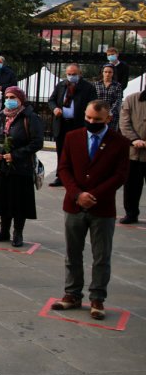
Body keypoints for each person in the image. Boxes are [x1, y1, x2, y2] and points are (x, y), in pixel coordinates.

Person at [54, 100, 130, 320]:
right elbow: (64, 168)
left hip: (102, 207)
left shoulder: (119, 142)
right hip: (74, 204)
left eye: (96, 120)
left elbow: (120, 175)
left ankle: (97, 298)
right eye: (88, 118)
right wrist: (77, 194)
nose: (91, 122)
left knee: (101, 255)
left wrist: (93, 195)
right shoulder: (72, 137)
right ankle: (72, 293)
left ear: (108, 119)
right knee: (72, 253)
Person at [0, 86, 44, 247]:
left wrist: (16, 155)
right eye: (7, 97)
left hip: (21, 167)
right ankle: (4, 230)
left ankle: (18, 232)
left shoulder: (29, 117)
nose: (9, 100)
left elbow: (37, 142)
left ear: (20, 99)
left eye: (13, 97)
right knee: (3, 198)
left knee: (19, 201)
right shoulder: (0, 116)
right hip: (1, 166)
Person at [47, 63, 97, 187]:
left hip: (78, 124)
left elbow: (93, 104)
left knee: (77, 152)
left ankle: (76, 177)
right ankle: (61, 176)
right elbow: (51, 100)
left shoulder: (87, 87)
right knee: (61, 151)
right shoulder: (61, 85)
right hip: (62, 123)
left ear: (79, 74)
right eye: (69, 74)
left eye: (74, 74)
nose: (71, 76)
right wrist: (54, 109)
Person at [119, 88, 146, 225]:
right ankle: (131, 213)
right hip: (134, 152)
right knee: (131, 185)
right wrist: (134, 139)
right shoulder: (131, 99)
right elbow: (124, 123)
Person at [94, 64, 124, 129]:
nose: (107, 74)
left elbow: (118, 100)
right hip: (97, 113)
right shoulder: (96, 84)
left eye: (110, 72)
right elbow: (93, 99)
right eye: (105, 72)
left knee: (111, 134)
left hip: (112, 116)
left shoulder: (117, 85)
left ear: (113, 73)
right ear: (102, 72)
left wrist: (110, 112)